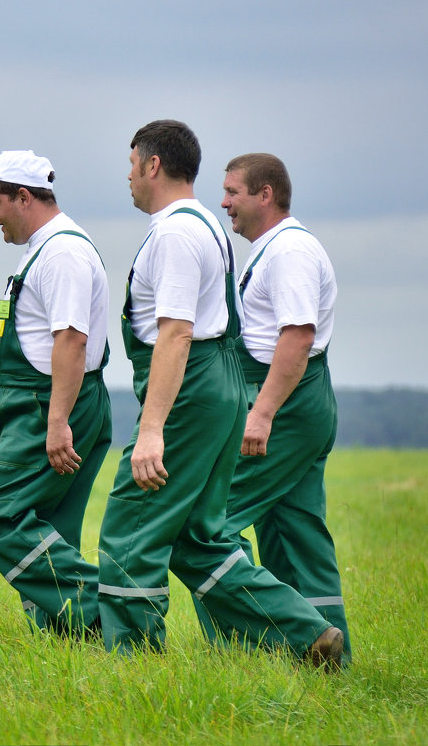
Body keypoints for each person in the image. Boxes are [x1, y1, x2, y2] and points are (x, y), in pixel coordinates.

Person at [96, 120, 344, 669]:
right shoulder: (204, 225)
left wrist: (153, 429)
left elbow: (178, 331)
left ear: (152, 165)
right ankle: (308, 634)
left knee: (133, 522)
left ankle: (129, 662)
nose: (128, 176)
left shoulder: (176, 235)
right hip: (223, 385)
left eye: (131, 162)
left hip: (194, 393)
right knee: (200, 537)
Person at [189, 152, 351, 661]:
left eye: (233, 192)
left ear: (265, 194)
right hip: (294, 405)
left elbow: (297, 337)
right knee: (296, 533)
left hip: (284, 406)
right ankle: (330, 658)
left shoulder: (290, 253)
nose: (223, 202)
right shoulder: (273, 250)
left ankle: (261, 646)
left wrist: (260, 414)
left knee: (207, 525)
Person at [0, 149, 112, 638]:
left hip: (48, 405)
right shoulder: (45, 250)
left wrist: (56, 422)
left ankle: (110, 615)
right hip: (46, 404)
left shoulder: (63, 253)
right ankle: (68, 640)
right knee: (52, 524)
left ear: (23, 197)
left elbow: (71, 340)